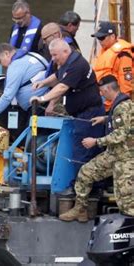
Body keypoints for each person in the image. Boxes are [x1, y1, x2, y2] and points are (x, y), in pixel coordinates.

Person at [31, 39, 105, 186]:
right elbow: (58, 76)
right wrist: (43, 82)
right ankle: (83, 186)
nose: (53, 59)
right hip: (80, 113)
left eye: (55, 55)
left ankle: (83, 189)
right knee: (80, 150)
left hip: (89, 114)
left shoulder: (77, 65)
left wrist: (42, 98)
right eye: (51, 55)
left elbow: (62, 87)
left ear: (65, 51)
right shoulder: (67, 62)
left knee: (82, 152)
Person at [59, 75, 133, 222]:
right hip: (113, 154)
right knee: (86, 173)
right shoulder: (121, 104)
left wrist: (96, 141)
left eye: (102, 91)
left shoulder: (122, 106)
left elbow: (122, 133)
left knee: (126, 201)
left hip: (126, 157)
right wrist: (105, 119)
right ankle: (80, 209)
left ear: (107, 89)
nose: (101, 94)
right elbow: (123, 121)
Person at [0, 43, 48, 126]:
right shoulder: (32, 55)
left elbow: (7, 96)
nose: (1, 65)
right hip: (45, 101)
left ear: (6, 53)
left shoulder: (15, 66)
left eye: (0, 61)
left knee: (31, 138)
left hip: (38, 106)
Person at [92, 21, 133, 111]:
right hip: (103, 99)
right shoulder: (105, 51)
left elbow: (126, 83)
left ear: (113, 36)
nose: (99, 41)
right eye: (98, 38)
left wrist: (121, 105)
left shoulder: (123, 54)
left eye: (102, 37)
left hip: (114, 103)